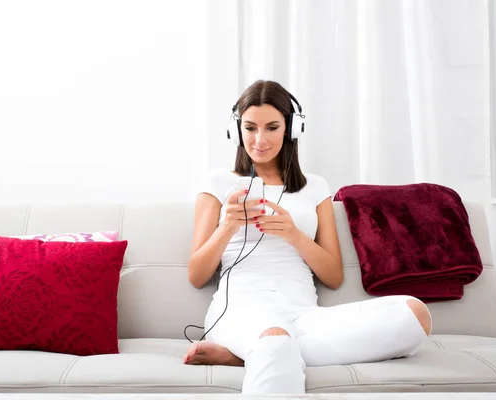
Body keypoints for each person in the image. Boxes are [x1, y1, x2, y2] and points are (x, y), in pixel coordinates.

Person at [184, 80, 432, 394]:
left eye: (272, 127)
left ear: (291, 129)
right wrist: (227, 227)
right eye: (250, 127)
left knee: (414, 315)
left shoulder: (314, 187)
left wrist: (295, 235)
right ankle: (264, 348)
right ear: (236, 130)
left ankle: (243, 355)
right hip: (242, 310)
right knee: (276, 341)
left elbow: (333, 277)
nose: (259, 140)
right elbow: (196, 274)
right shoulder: (218, 182)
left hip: (302, 314)